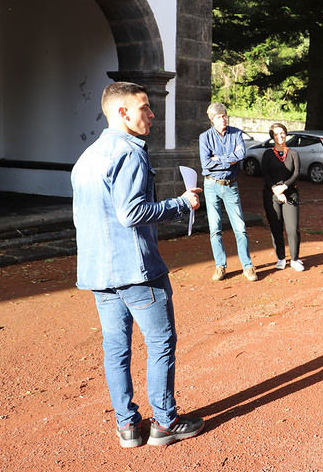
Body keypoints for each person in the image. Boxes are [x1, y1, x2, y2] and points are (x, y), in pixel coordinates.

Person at [71, 81, 205, 448]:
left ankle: (128, 426)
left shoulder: (87, 156)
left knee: (116, 348)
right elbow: (132, 213)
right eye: (145, 107)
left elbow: (83, 218)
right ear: (122, 112)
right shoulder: (129, 152)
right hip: (137, 268)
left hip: (99, 271)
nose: (152, 114)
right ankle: (165, 422)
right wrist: (180, 204)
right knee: (161, 341)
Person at [200, 102, 257, 282]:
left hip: (231, 185)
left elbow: (241, 155)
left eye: (224, 115)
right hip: (211, 186)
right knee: (215, 228)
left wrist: (219, 159)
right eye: (218, 116)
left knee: (240, 228)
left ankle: (247, 267)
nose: (223, 118)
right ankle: (220, 266)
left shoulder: (236, 134)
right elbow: (205, 164)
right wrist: (228, 160)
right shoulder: (205, 138)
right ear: (212, 120)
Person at [261, 123, 304, 271]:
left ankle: (295, 259)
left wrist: (284, 187)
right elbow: (265, 173)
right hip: (271, 194)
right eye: (276, 134)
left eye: (282, 133)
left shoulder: (293, 153)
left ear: (286, 134)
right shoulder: (268, 154)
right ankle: (280, 257)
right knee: (276, 227)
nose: (280, 136)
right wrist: (276, 190)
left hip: (290, 193)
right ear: (272, 137)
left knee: (292, 228)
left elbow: (296, 173)